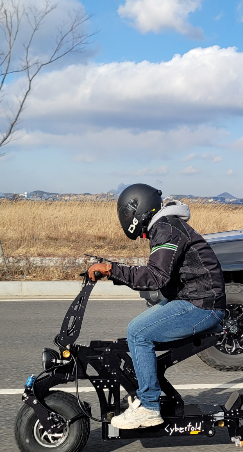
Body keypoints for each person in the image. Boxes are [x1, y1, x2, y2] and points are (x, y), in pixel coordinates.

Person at [87, 183, 226, 429]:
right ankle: (145, 391)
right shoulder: (166, 226)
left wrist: (112, 270)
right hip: (193, 298)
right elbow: (161, 277)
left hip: (202, 306)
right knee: (141, 327)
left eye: (126, 213)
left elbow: (155, 277)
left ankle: (149, 407)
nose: (126, 219)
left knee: (138, 333)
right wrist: (113, 273)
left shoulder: (167, 228)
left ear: (138, 209)